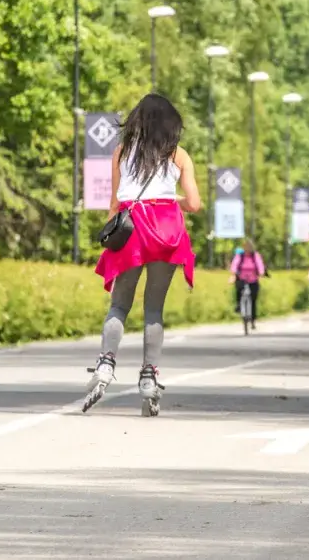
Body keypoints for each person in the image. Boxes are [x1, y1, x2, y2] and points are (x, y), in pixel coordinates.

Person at [87, 94, 201, 416]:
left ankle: (106, 365)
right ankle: (149, 379)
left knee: (120, 304)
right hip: (167, 229)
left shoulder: (122, 152)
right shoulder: (178, 155)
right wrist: (172, 200)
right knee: (153, 309)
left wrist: (110, 233)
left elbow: (114, 204)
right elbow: (194, 203)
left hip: (132, 226)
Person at [228, 239, 267, 328]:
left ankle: (252, 320)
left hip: (253, 278)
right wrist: (233, 274)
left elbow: (260, 264)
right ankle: (238, 305)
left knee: (253, 299)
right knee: (238, 289)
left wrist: (261, 273)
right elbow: (235, 264)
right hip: (242, 277)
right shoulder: (240, 256)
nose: (247, 250)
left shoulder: (255, 256)